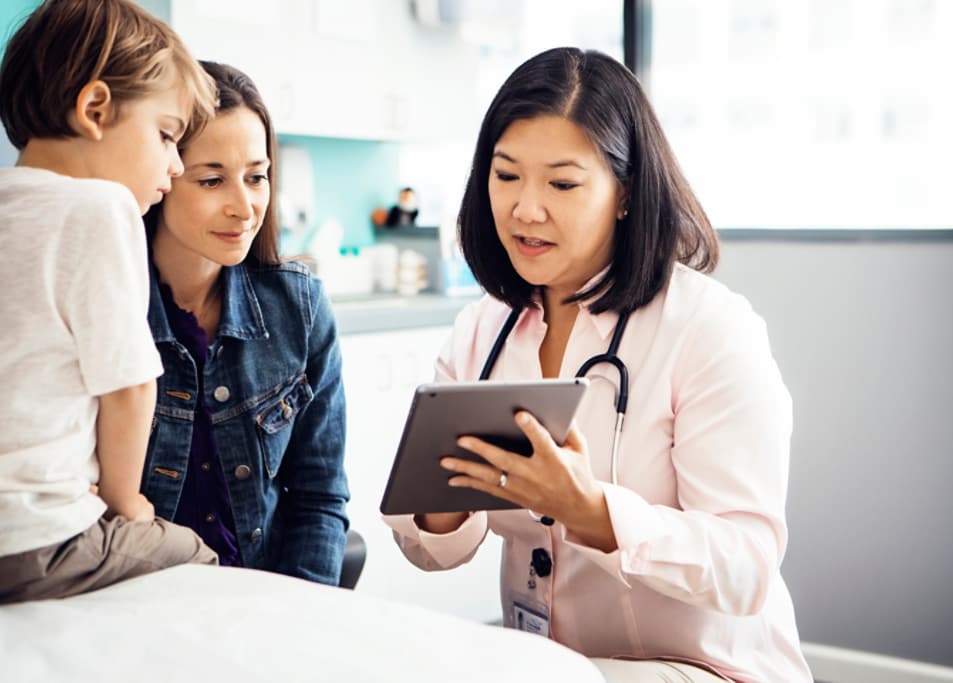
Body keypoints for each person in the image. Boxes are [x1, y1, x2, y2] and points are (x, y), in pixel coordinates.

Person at [385, 48, 813, 683]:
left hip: (707, 669)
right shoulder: (484, 330)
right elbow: (432, 548)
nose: (526, 209)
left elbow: (745, 567)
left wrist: (592, 511)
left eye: (561, 184)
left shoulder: (708, 329)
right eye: (505, 177)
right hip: (554, 665)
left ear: (625, 193)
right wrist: (441, 505)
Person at [0, 0, 219, 604]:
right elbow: (130, 386)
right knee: (200, 557)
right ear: (95, 109)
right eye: (166, 135)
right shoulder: (100, 208)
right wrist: (126, 506)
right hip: (37, 541)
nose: (176, 165)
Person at [140, 61, 350, 585]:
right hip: (138, 604)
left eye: (257, 177)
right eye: (212, 180)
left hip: (265, 602)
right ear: (162, 175)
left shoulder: (299, 308)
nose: (245, 206)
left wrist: (298, 613)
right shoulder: (107, 305)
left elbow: (319, 496)